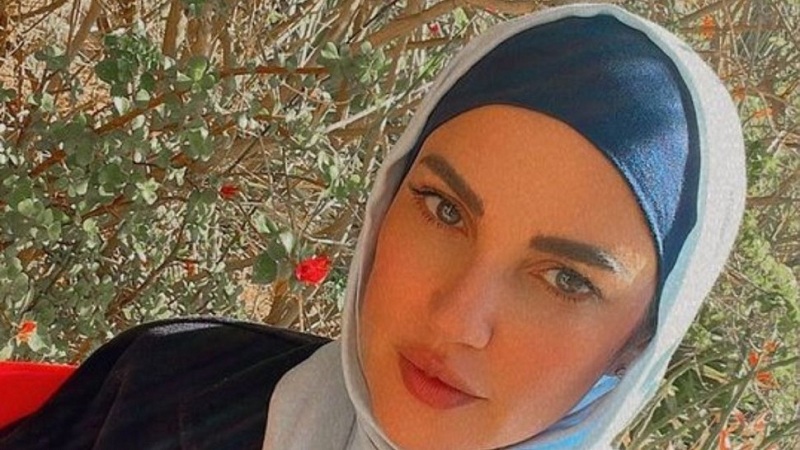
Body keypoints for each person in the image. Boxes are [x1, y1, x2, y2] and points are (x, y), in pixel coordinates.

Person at [0, 4, 745, 449]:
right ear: (387, 200)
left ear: (640, 340)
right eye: (444, 210)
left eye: (566, 280)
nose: (457, 320)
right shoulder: (170, 389)